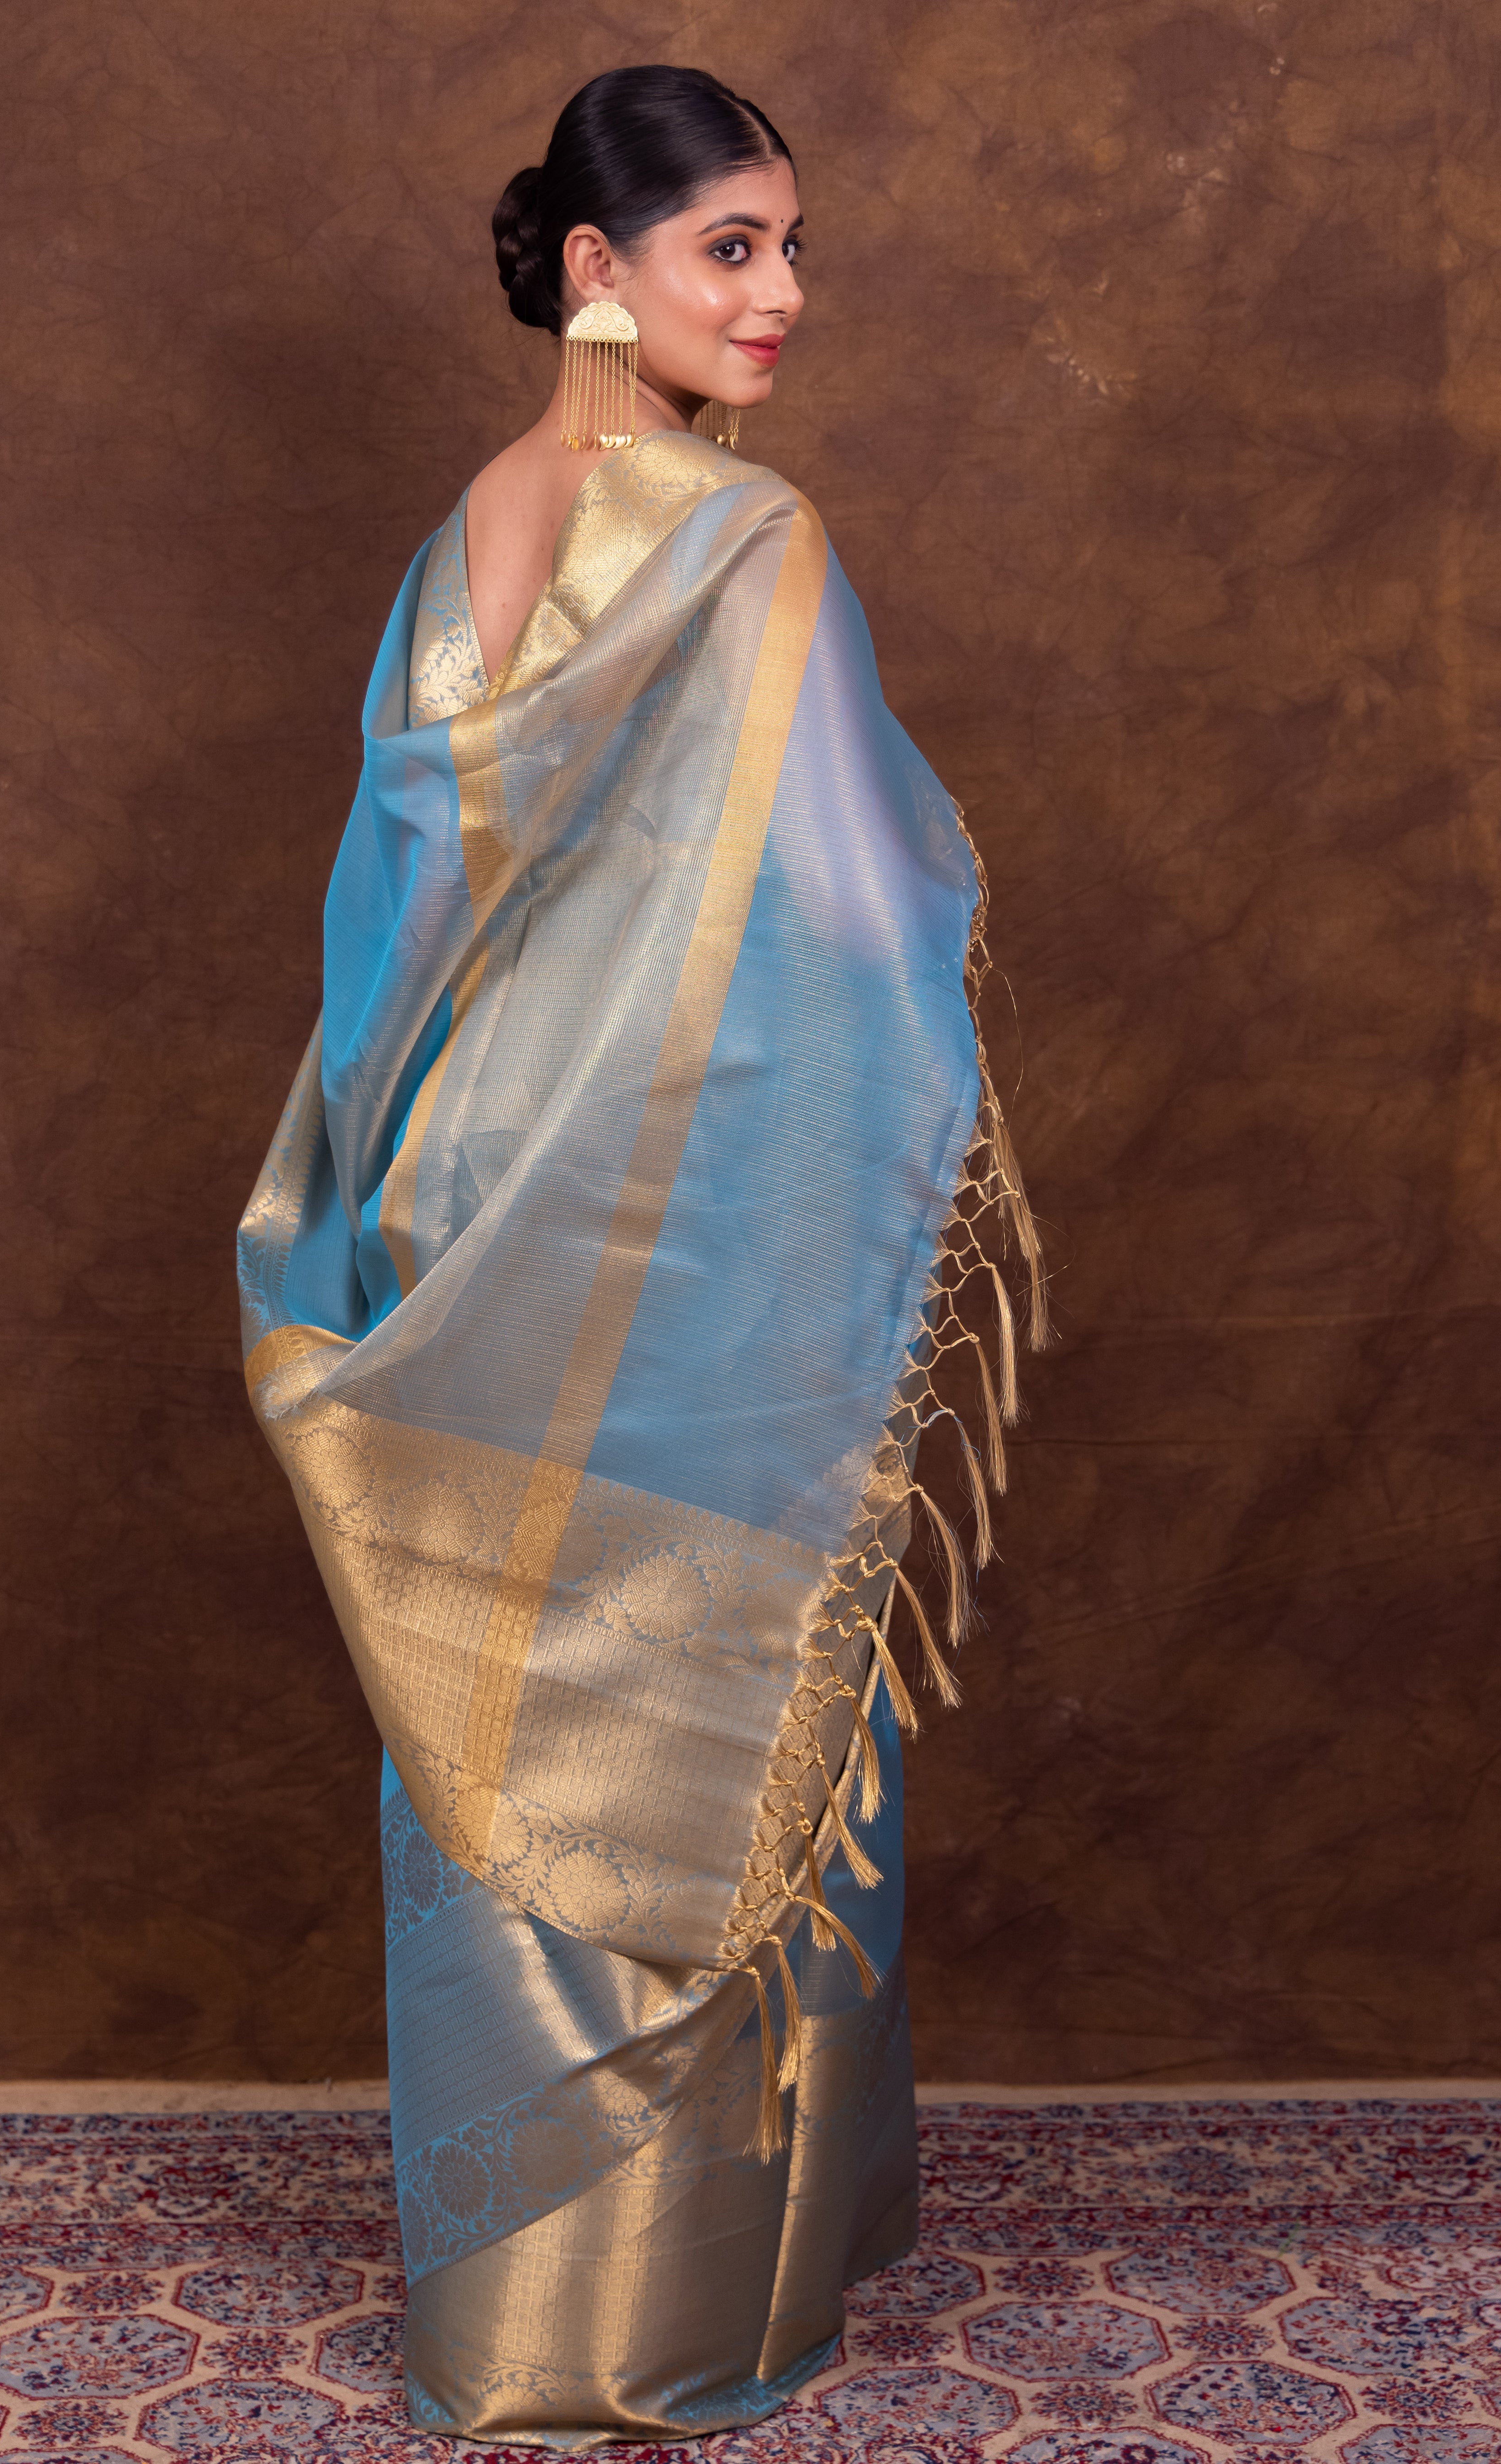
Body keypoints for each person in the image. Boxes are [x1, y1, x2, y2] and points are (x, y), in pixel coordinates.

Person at [237, 63, 1043, 2450]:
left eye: (794, 249)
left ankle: (523, 2313)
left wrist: (399, 1179)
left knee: (507, 1715)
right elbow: (854, 921)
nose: (782, 297)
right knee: (710, 1681)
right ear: (597, 269)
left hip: (463, 1200)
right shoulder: (742, 541)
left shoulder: (461, 537)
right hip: (677, 1226)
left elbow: (397, 920)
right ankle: (686, 2309)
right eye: (732, 248)